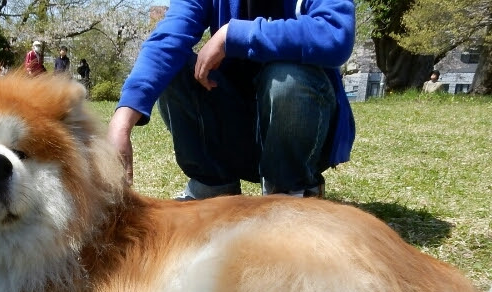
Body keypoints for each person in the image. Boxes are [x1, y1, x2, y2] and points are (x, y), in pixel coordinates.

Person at [107, 0, 356, 199]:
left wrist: (234, 35)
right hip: (236, 133)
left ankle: (291, 191)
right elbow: (168, 38)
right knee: (173, 65)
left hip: (300, 125)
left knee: (286, 76)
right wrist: (122, 121)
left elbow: (335, 33)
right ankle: (213, 187)